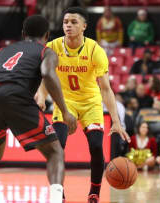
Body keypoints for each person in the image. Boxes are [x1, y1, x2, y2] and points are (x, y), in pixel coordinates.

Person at [0, 15, 77, 203]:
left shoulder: (4, 50)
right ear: (47, 35)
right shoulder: (46, 51)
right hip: (16, 95)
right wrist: (65, 111)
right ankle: (56, 200)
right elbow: (47, 75)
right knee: (55, 151)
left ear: (23, 34)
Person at [37, 7, 130, 202]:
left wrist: (116, 121)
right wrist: (40, 95)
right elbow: (46, 77)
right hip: (65, 102)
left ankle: (94, 192)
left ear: (84, 26)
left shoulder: (95, 50)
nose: (68, 25)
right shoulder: (52, 47)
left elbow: (105, 89)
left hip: (90, 103)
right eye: (65, 22)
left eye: (73, 22)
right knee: (58, 147)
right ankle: (58, 193)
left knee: (96, 146)